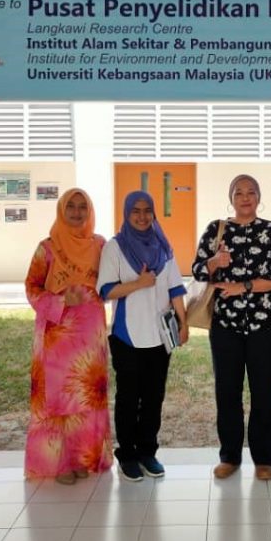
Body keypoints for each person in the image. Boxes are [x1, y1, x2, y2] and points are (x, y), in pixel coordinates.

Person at [192, 175, 271, 481]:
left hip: (265, 326)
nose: (245, 197)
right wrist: (214, 261)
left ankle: (263, 459)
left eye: (251, 192)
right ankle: (230, 456)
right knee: (227, 392)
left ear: (259, 197)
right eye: (239, 193)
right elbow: (197, 270)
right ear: (231, 198)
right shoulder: (216, 229)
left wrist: (243, 286)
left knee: (264, 393)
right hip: (226, 325)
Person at [97, 191, 188, 482]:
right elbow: (106, 291)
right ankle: (128, 455)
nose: (142, 216)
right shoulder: (115, 247)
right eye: (135, 210)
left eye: (147, 210)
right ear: (126, 213)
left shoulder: (163, 246)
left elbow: (175, 289)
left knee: (153, 398)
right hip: (127, 337)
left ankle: (148, 452)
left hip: (160, 338)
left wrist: (183, 324)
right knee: (128, 398)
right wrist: (139, 283)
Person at [24, 188, 112, 483]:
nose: (76, 212)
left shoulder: (100, 245)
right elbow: (32, 288)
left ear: (90, 211)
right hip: (57, 335)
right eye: (71, 206)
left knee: (85, 397)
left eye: (82, 206)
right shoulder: (47, 248)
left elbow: (112, 281)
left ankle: (81, 457)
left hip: (90, 336)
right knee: (58, 398)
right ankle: (58, 463)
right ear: (62, 210)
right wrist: (61, 301)